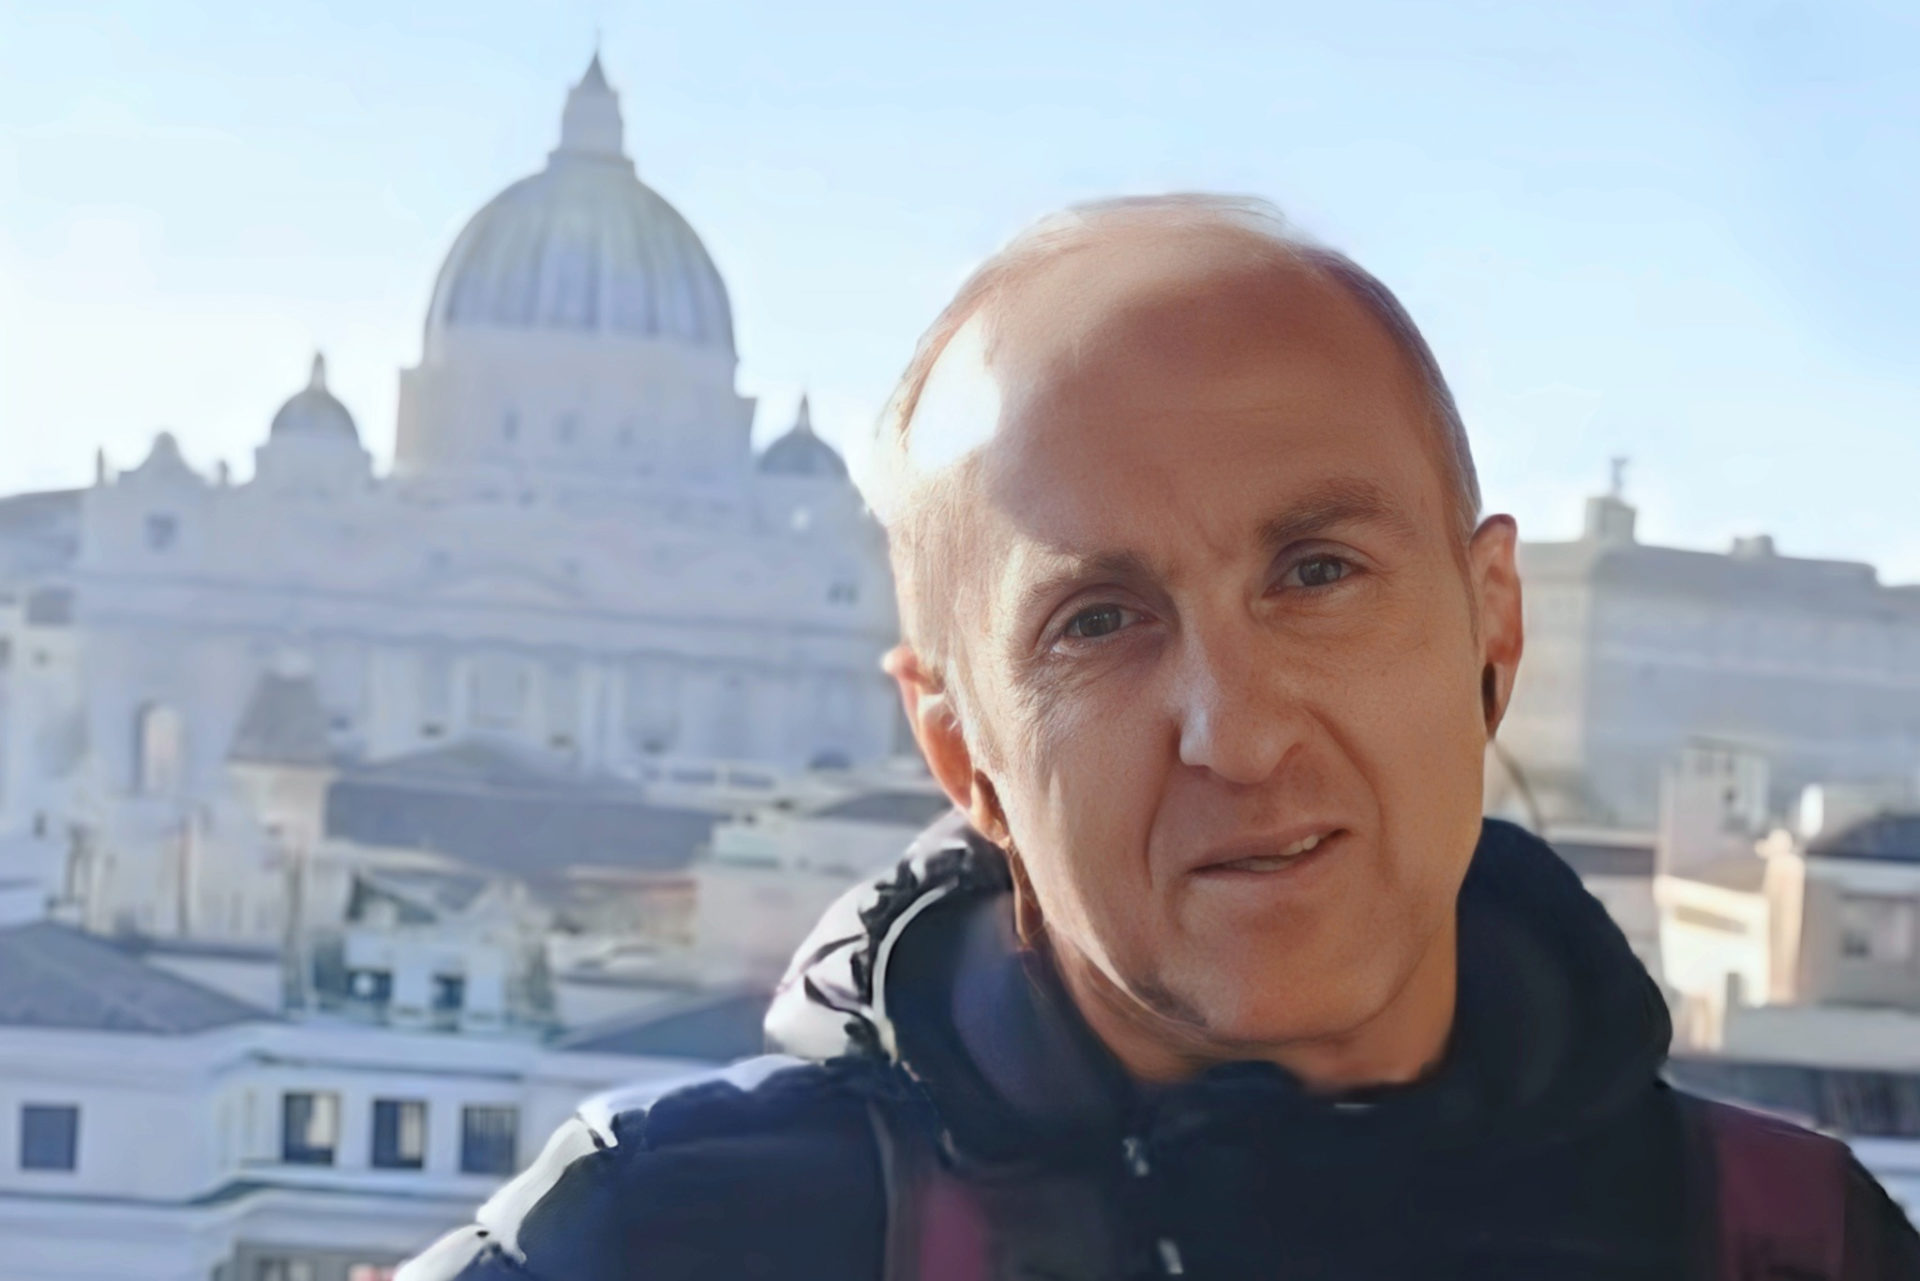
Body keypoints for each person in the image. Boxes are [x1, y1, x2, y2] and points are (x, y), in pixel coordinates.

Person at [400, 196, 1920, 1281]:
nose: (1238, 736)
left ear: (1493, 629)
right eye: (1099, 622)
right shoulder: (665, 1244)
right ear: (963, 753)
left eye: (1317, 573)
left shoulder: (1800, 1242)